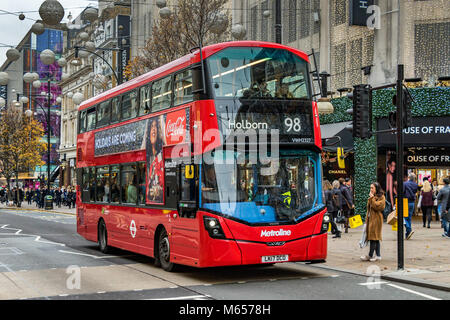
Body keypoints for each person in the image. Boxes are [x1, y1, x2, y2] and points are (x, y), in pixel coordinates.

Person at [361, 182, 385, 262]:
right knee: (375, 237)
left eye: (372, 188)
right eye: (370, 188)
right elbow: (369, 209)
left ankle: (370, 255)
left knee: (373, 238)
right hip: (370, 219)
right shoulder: (373, 197)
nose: (371, 190)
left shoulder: (381, 197)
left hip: (376, 219)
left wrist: (372, 198)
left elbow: (377, 207)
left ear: (376, 189)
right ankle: (378, 255)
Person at [404, 173, 418, 240]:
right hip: (412, 202)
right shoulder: (416, 184)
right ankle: (407, 234)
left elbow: (403, 192)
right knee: (409, 217)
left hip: (405, 201)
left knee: (403, 217)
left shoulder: (405, 184)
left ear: (409, 177)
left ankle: (409, 229)